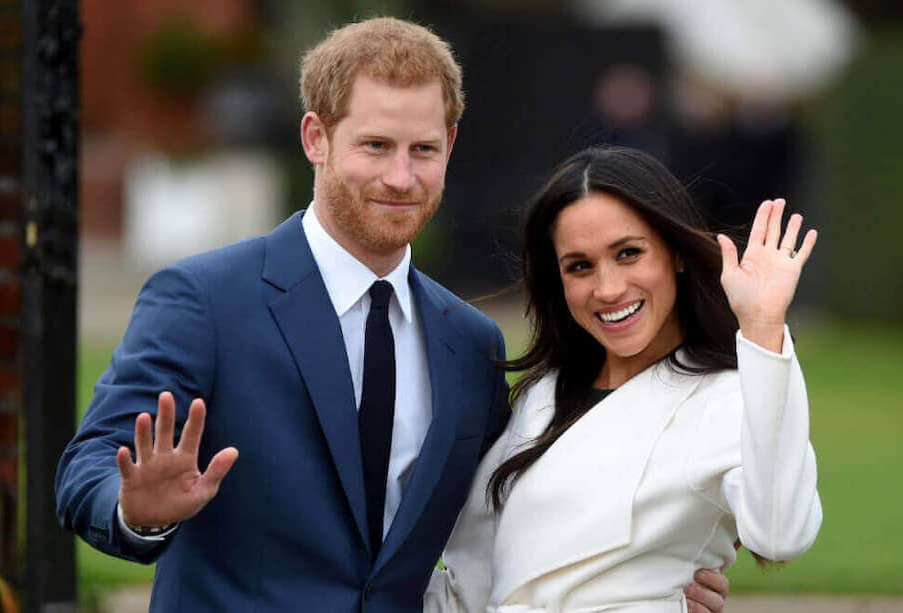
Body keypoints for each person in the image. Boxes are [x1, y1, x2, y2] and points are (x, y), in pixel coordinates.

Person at [56, 19, 729, 613]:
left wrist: (649, 577)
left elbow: (515, 519)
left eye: (422, 149)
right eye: (376, 145)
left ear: (450, 145)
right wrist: (135, 511)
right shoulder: (205, 300)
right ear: (316, 138)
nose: (401, 178)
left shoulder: (470, 344)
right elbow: (86, 467)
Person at [424, 146, 823, 612]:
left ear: (675, 252)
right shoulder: (543, 393)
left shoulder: (725, 397)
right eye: (580, 266)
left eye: (629, 253)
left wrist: (762, 327)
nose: (609, 288)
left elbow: (780, 534)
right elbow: (471, 588)